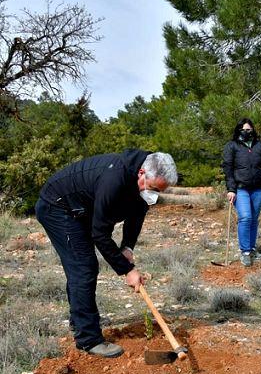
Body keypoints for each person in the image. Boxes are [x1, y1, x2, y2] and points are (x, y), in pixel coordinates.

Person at [35, 150, 178, 358]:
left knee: (82, 268)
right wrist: (127, 270)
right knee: (83, 267)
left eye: (159, 191)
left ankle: (79, 320)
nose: (153, 195)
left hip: (83, 209)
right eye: (153, 188)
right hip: (58, 207)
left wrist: (128, 247)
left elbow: (137, 215)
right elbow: (99, 233)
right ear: (141, 173)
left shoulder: (142, 180)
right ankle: (88, 339)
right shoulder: (114, 179)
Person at [221, 118, 261, 267]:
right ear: (238, 130)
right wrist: (231, 189)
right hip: (240, 188)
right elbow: (228, 169)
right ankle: (245, 252)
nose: (246, 132)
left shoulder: (260, 146)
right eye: (243, 129)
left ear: (253, 130)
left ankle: (252, 249)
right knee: (245, 217)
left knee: (253, 219)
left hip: (258, 188)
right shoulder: (232, 146)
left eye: (249, 129)